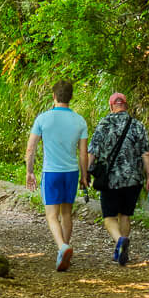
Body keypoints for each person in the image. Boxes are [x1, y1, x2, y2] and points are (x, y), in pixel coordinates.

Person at [25, 79, 89, 271]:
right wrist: (84, 176)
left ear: (54, 96)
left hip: (51, 172)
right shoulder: (79, 121)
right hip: (71, 172)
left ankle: (62, 247)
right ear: (71, 97)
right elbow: (83, 153)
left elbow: (31, 147)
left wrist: (29, 171)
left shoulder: (43, 119)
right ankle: (64, 249)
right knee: (66, 213)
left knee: (52, 215)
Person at [88, 91, 149, 266]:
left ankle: (120, 241)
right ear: (125, 105)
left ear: (111, 106)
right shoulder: (137, 125)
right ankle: (122, 249)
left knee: (109, 217)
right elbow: (146, 153)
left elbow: (93, 151)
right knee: (125, 215)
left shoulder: (104, 124)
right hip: (133, 180)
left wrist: (86, 172)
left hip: (110, 180)